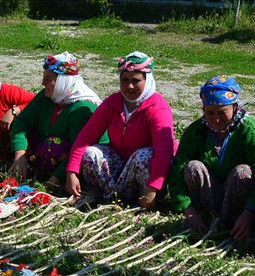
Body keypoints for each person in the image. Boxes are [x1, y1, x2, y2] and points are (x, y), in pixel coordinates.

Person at [63, 51, 176, 210]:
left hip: (146, 174)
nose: (129, 86)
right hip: (120, 166)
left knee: (144, 157)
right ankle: (112, 199)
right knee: (90, 154)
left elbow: (164, 151)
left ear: (147, 80)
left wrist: (153, 188)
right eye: (125, 80)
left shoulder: (157, 108)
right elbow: (85, 137)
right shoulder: (113, 103)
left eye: (136, 81)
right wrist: (72, 171)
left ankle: (142, 201)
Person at [168, 76, 255, 239]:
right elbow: (178, 168)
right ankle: (208, 218)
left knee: (243, 172)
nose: (216, 119)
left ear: (235, 107)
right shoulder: (197, 130)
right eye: (210, 113)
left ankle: (239, 224)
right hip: (211, 198)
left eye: (223, 112)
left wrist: (249, 213)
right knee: (193, 167)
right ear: (203, 109)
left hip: (240, 204)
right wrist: (188, 210)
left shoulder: (249, 130)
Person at [10, 52, 103, 190]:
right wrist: (20, 153)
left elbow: (78, 150)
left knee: (53, 145)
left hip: (74, 164)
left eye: (48, 79)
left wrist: (52, 182)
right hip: (47, 155)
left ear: (63, 82)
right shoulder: (48, 96)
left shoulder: (82, 109)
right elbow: (22, 121)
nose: (43, 83)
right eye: (44, 77)